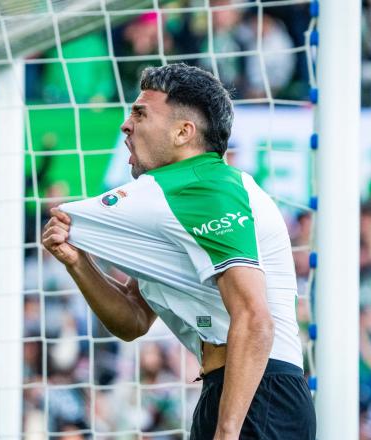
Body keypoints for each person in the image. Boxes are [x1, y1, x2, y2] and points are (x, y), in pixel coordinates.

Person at [42, 63, 315, 439]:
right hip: (226, 393)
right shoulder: (171, 207)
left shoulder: (205, 187)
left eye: (140, 113)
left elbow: (255, 319)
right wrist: (77, 262)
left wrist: (227, 431)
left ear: (183, 132)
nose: (126, 124)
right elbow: (133, 319)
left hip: (260, 396)